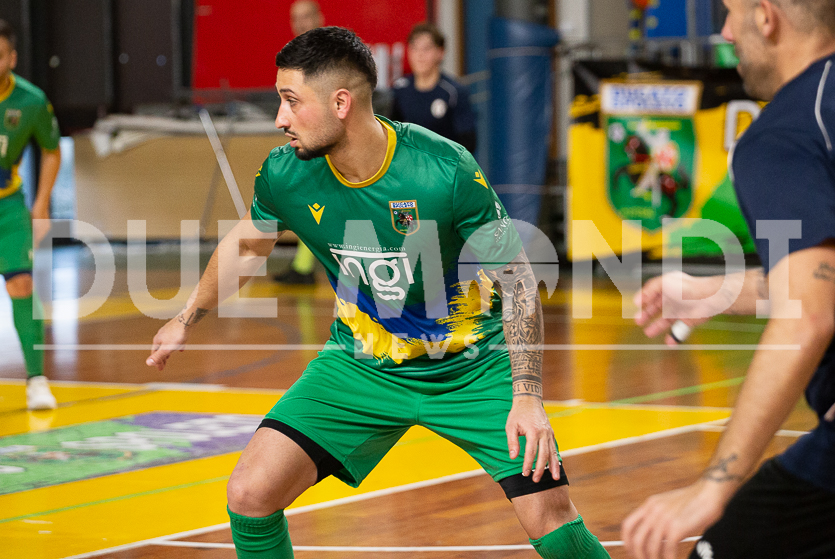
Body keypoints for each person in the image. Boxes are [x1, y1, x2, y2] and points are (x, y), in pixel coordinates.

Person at [147, 27, 609, 559]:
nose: (279, 118)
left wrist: (526, 397)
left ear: (341, 103)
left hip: (474, 367)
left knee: (549, 517)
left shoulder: (444, 169)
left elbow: (519, 281)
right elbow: (248, 246)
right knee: (250, 494)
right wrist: (186, 316)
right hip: (362, 363)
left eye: (291, 101)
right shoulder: (285, 174)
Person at [621, 0, 835, 557]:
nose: (723, 32)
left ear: (766, 17)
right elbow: (826, 276)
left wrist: (715, 483)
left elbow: (809, 315)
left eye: (730, 13)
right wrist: (713, 291)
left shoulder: (788, 132)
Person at [0, 19, 61, 410]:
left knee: (22, 285)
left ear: (12, 58)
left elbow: (51, 149)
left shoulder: (31, 100)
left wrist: (41, 203)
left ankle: (37, 379)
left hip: (8, 206)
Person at [274, 0, 324, 286]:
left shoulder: (331, 55)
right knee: (312, 202)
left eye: (306, 16)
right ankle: (303, 266)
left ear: (320, 17)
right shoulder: (293, 59)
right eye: (296, 18)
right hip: (308, 138)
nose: (301, 23)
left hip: (331, 138)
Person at [392, 22, 477, 153]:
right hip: (410, 162)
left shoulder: (454, 92)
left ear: (440, 52)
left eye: (426, 49)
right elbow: (391, 135)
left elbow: (467, 143)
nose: (419, 55)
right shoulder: (400, 89)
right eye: (414, 48)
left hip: (442, 163)